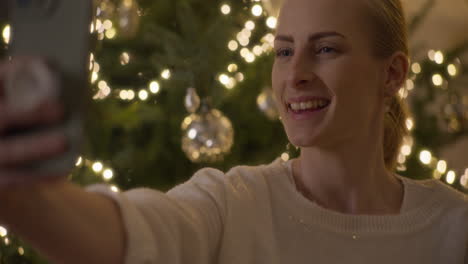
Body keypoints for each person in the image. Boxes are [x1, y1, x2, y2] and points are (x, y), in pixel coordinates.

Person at [0, 0, 467, 263]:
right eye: (284, 53)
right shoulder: (233, 204)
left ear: (391, 74)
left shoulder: (453, 228)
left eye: (325, 49)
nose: (296, 73)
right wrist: (23, 199)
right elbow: (139, 236)